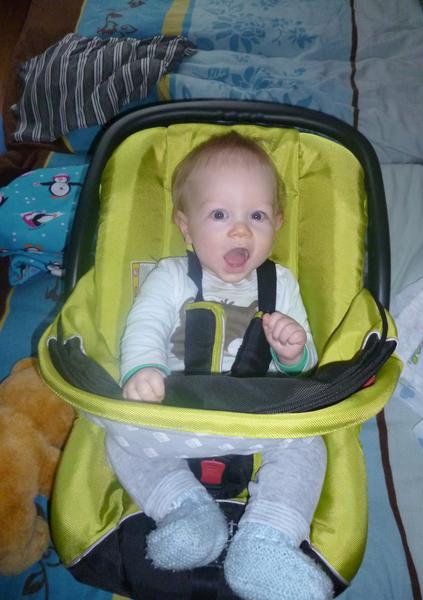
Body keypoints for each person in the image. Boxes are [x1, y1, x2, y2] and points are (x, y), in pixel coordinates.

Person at [106, 132, 333, 600]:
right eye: (219, 215)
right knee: (119, 434)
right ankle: (187, 510)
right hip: (177, 410)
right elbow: (146, 324)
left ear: (278, 223)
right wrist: (142, 370)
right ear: (186, 227)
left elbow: (305, 363)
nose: (241, 231)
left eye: (257, 216)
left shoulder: (280, 283)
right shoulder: (171, 276)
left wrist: (294, 353)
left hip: (259, 415)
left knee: (308, 442)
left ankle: (266, 540)